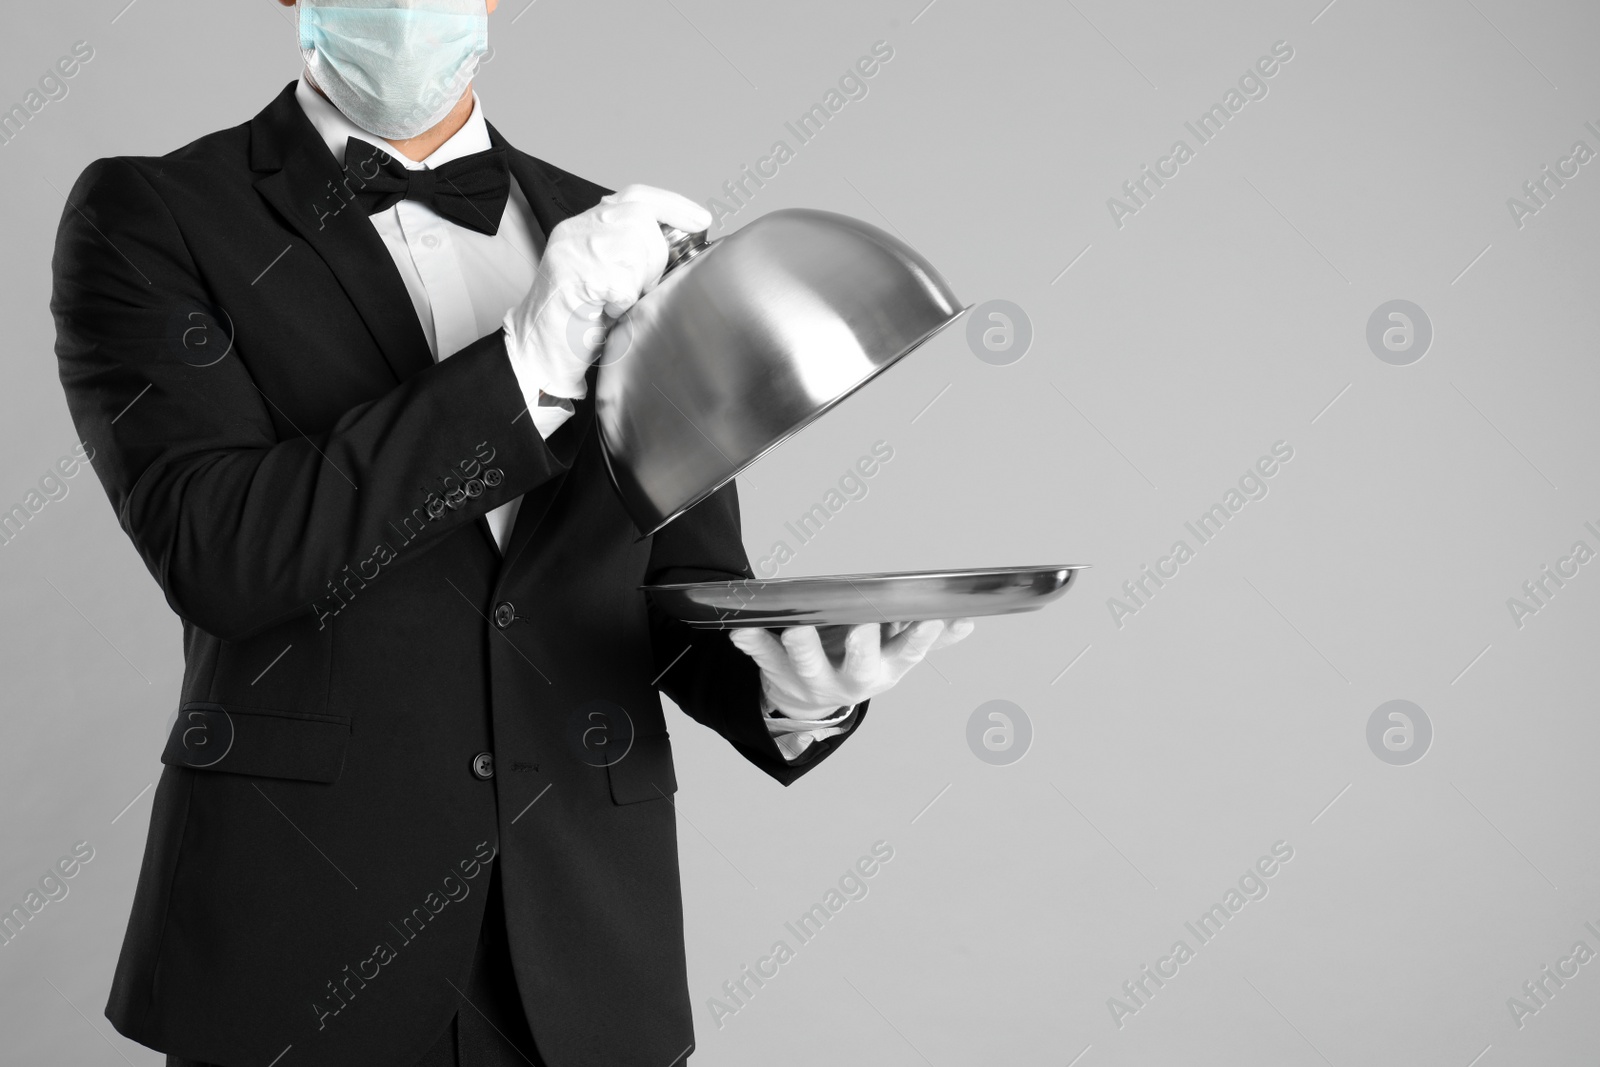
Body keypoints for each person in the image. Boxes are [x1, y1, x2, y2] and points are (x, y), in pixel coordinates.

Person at [50, 2, 973, 1064]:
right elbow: (223, 550)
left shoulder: (620, 232)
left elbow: (678, 580)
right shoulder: (151, 214)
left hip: (585, 955)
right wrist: (525, 368)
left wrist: (793, 688)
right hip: (300, 947)